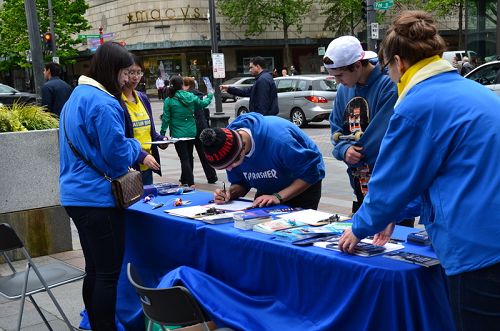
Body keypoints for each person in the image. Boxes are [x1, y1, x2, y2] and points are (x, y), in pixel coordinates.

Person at [337, 11, 500, 331]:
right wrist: (392, 215)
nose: (391, 78)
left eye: (388, 69)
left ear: (398, 62)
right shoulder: (477, 92)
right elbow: (445, 172)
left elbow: (391, 181)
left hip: (477, 250)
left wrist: (361, 226)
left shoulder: (418, 103)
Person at [59, 42, 141, 331]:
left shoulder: (75, 96)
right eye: (123, 73)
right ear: (112, 70)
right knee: (108, 274)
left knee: (93, 269)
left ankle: (93, 324)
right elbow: (118, 159)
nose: (126, 80)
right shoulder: (104, 102)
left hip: (75, 196)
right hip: (98, 199)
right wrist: (136, 145)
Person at [199, 113, 325, 210]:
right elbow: (241, 183)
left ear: (242, 147)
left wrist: (278, 196)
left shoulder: (279, 140)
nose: (230, 169)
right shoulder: (229, 148)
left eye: (232, 164)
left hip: (302, 184)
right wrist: (230, 193)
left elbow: (312, 173)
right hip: (268, 185)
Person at [122, 54, 169, 185]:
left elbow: (151, 132)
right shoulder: (116, 101)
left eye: (139, 72)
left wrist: (162, 140)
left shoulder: (143, 98)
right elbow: (120, 140)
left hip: (148, 165)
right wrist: (141, 156)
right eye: (131, 72)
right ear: (123, 73)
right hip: (129, 168)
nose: (135, 77)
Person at [160, 75, 213, 187]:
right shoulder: (190, 96)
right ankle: (185, 180)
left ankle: (190, 183)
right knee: (189, 156)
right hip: (191, 132)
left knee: (184, 158)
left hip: (178, 133)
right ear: (182, 85)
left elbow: (166, 118)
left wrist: (162, 134)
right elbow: (204, 104)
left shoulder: (169, 100)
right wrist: (210, 95)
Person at [182, 76, 218, 184]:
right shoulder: (199, 95)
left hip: (190, 128)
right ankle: (212, 176)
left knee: (188, 155)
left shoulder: (186, 97)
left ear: (187, 85)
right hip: (201, 126)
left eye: (183, 85)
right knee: (204, 154)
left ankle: (187, 178)